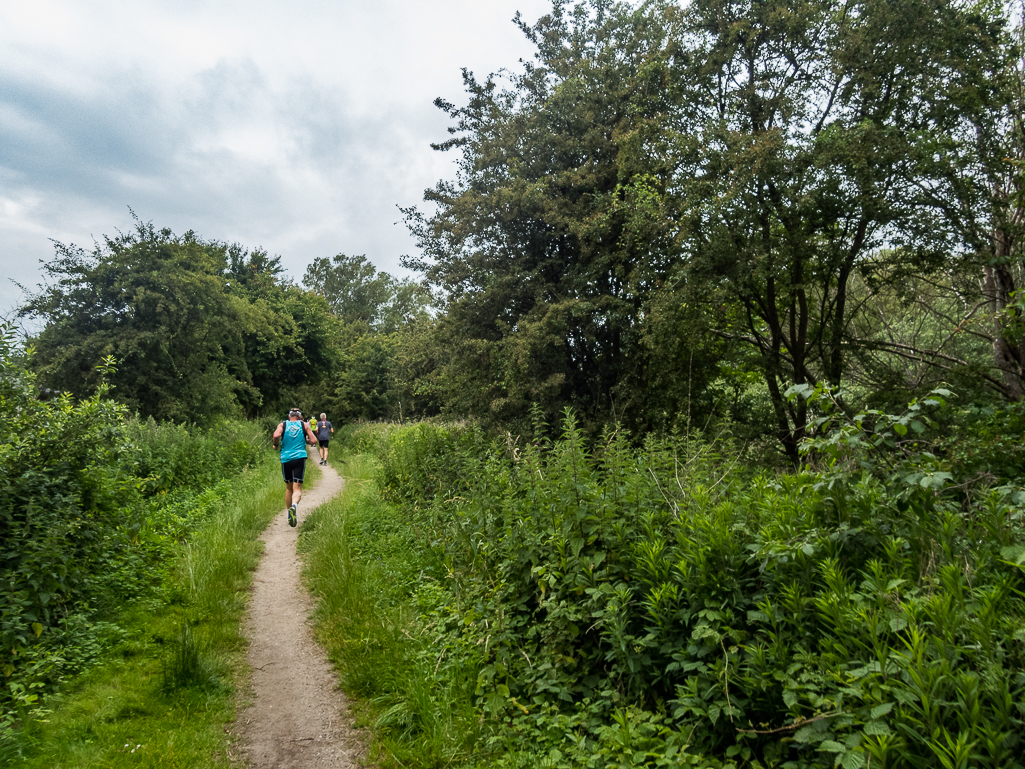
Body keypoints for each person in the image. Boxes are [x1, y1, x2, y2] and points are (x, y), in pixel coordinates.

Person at [272, 408, 317, 527]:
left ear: (289, 417)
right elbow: (313, 440)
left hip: (286, 458)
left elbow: (276, 434)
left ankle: (289, 513)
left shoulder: (283, 424)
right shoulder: (304, 425)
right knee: (297, 488)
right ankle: (294, 506)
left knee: (289, 488)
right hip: (299, 458)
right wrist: (305, 441)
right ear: (299, 418)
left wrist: (275, 444)